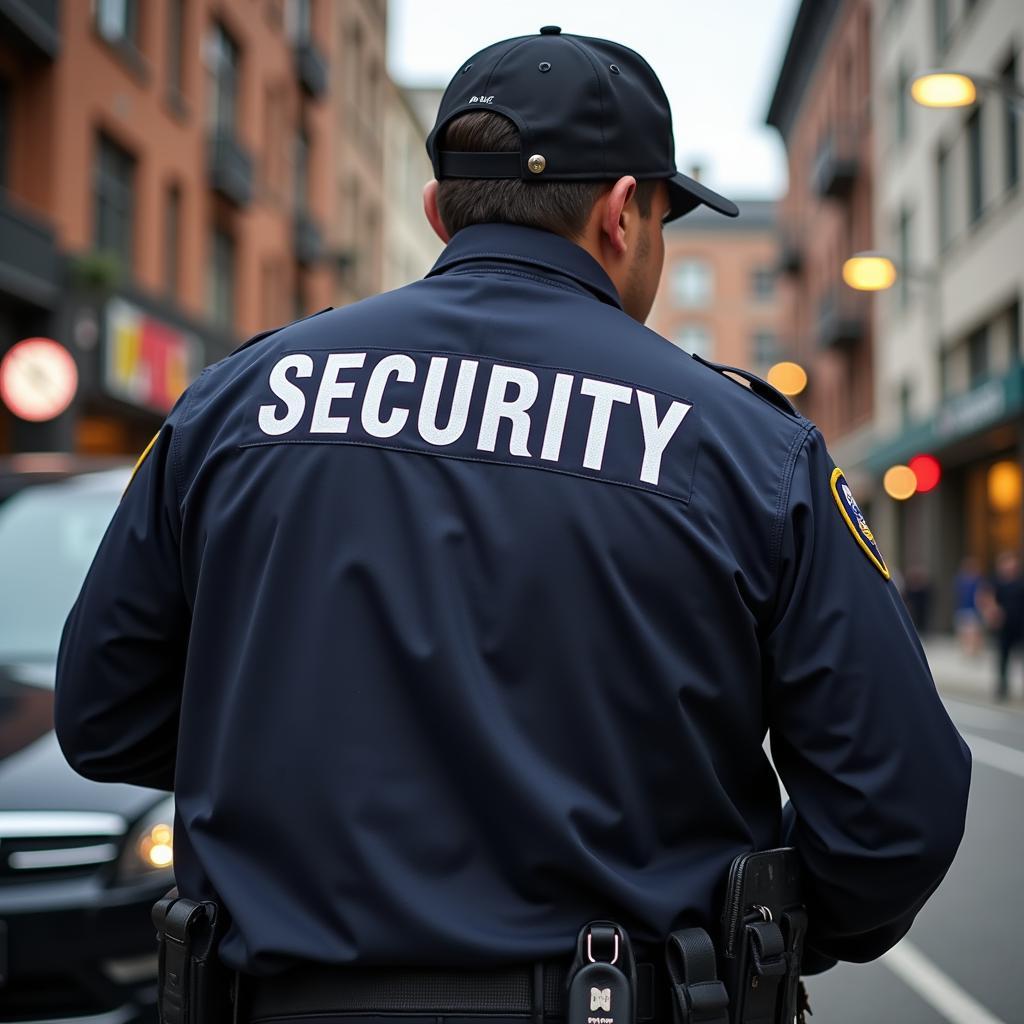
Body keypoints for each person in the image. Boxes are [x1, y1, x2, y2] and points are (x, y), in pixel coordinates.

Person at [54, 27, 971, 1024]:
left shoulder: (234, 404)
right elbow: (892, 810)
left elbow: (106, 713)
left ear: (438, 209)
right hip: (615, 998)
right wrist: (758, 932)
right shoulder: (743, 446)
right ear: (625, 213)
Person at [978, 550, 1024, 701]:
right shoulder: (995, 581)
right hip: (1004, 626)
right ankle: (1002, 687)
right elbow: (985, 598)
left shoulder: (1020, 581)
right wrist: (991, 612)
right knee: (1003, 657)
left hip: (1020, 624)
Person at [952, 556, 984, 655]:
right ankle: (966, 649)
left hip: (974, 609)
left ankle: (974, 650)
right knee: (963, 630)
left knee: (974, 631)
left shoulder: (979, 580)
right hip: (962, 608)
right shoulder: (960, 580)